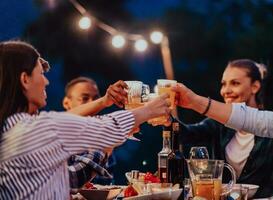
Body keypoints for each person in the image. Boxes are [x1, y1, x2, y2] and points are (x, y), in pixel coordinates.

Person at [0, 40, 171, 200]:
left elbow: (66, 121)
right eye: (40, 74)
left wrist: (105, 102)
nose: (46, 81)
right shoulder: (34, 129)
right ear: (25, 80)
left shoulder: (12, 127)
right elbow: (108, 128)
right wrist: (149, 109)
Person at [176, 59, 273, 197]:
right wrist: (167, 119)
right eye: (223, 84)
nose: (226, 91)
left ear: (255, 87)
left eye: (235, 83)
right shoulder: (217, 124)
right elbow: (186, 135)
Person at [63, 77, 120, 189]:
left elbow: (106, 185)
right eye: (84, 98)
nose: (93, 103)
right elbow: (68, 182)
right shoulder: (57, 135)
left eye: (96, 98)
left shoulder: (100, 133)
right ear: (66, 103)